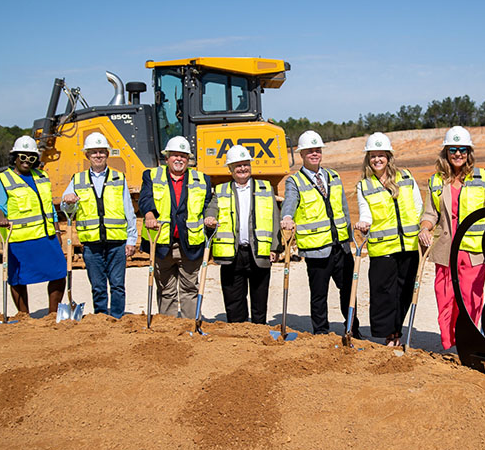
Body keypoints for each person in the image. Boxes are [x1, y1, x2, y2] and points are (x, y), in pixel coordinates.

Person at [418, 126, 485, 350]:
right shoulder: (436, 181)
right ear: (446, 152)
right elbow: (430, 213)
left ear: (469, 151)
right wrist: (425, 228)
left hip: (474, 252)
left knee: (470, 300)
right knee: (445, 299)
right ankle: (449, 341)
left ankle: (467, 341)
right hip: (445, 250)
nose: (458, 154)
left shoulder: (483, 177)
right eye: (453, 149)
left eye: (463, 149)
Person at [280, 130, 361, 337]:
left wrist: (350, 239)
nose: (314, 154)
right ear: (302, 154)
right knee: (319, 294)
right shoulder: (295, 181)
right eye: (310, 151)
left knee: (348, 292)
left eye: (317, 150)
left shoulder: (333, 176)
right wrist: (287, 217)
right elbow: (289, 202)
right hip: (317, 249)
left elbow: (343, 208)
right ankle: (321, 333)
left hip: (341, 247)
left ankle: (352, 328)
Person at [354, 132, 423, 347]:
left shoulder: (406, 177)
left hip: (409, 245)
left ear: (389, 156)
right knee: (383, 293)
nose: (377, 160)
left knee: (404, 292)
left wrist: (422, 229)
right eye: (373, 156)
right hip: (382, 249)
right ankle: (388, 334)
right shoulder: (364, 185)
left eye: (381, 155)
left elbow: (418, 205)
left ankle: (397, 333)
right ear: (368, 158)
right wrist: (363, 223)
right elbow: (365, 212)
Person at [60, 132, 137, 318]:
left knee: (118, 285)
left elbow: (129, 211)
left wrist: (131, 239)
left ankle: (118, 318)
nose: (98, 155)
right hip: (91, 243)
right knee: (98, 286)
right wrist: (67, 201)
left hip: (117, 242)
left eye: (101, 151)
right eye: (93, 152)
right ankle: (101, 317)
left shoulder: (119, 178)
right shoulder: (77, 180)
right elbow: (66, 207)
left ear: (107, 154)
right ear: (87, 155)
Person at [0, 135, 66, 314]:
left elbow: (49, 208)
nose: (26, 161)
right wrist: (0, 218)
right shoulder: (4, 179)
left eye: (31, 157)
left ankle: (52, 314)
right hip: (19, 239)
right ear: (15, 157)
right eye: (22, 156)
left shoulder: (42, 176)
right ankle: (24, 316)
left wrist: (57, 231)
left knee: (59, 272)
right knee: (17, 279)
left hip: (46, 237)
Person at [204, 145, 281, 324]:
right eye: (237, 165)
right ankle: (238, 338)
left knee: (259, 301)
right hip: (232, 254)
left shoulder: (265, 188)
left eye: (245, 164)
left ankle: (259, 333)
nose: (242, 169)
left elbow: (274, 218)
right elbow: (212, 208)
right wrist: (209, 218)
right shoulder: (221, 190)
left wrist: (276, 247)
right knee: (234, 301)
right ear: (230, 169)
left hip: (259, 252)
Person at [138, 136, 213, 318]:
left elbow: (209, 203)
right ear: (167, 158)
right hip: (162, 243)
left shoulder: (202, 179)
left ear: (188, 159)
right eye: (175, 155)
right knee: (166, 290)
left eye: (183, 156)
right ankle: (168, 329)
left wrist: (210, 215)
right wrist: (149, 214)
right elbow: (145, 198)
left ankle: (190, 326)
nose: (179, 159)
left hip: (191, 244)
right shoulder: (152, 176)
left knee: (190, 289)